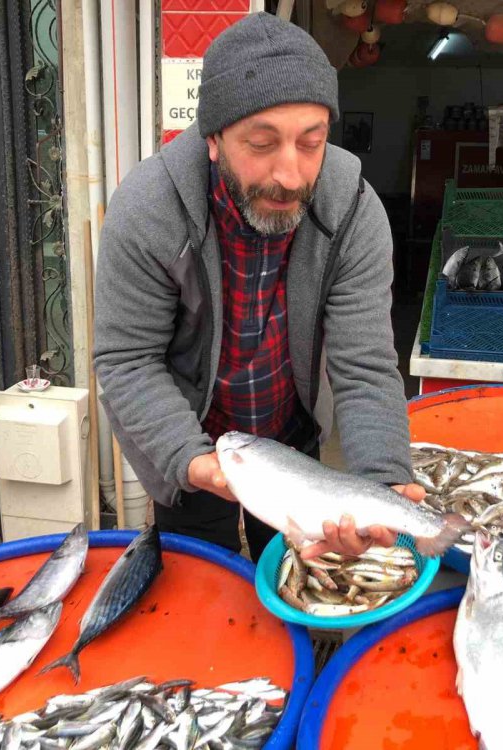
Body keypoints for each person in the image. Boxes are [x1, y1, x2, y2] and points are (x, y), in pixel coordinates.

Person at [94, 13, 424, 563]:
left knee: (303, 579)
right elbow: (129, 360)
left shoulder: (352, 210)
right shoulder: (149, 210)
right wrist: (189, 458)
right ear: (215, 139)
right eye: (262, 143)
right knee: (202, 586)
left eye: (311, 142)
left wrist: (382, 481)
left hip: (291, 433)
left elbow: (363, 362)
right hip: (190, 431)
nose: (290, 174)